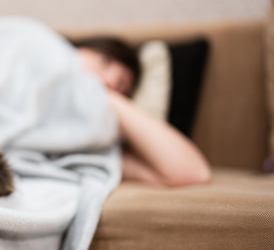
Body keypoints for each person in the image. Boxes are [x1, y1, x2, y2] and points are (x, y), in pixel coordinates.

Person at [73, 37, 211, 187]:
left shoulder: (91, 148)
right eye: (104, 60)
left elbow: (193, 172)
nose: (109, 80)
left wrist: (107, 97)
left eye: (120, 87)